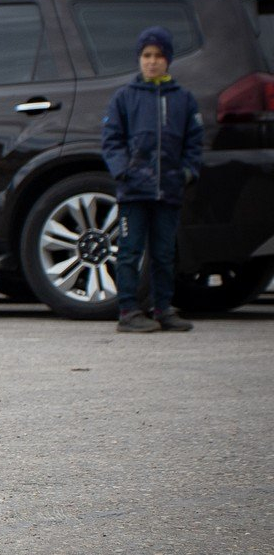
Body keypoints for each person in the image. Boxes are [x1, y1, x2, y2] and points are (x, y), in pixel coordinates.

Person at [100, 25, 204, 333]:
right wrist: (123, 171)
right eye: (146, 55)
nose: (152, 61)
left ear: (168, 59)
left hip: (169, 191)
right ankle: (128, 311)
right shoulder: (124, 98)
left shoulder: (183, 99)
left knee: (164, 253)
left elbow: (194, 142)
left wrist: (187, 172)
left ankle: (163, 308)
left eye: (158, 55)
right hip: (133, 191)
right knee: (130, 251)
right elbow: (111, 140)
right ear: (139, 58)